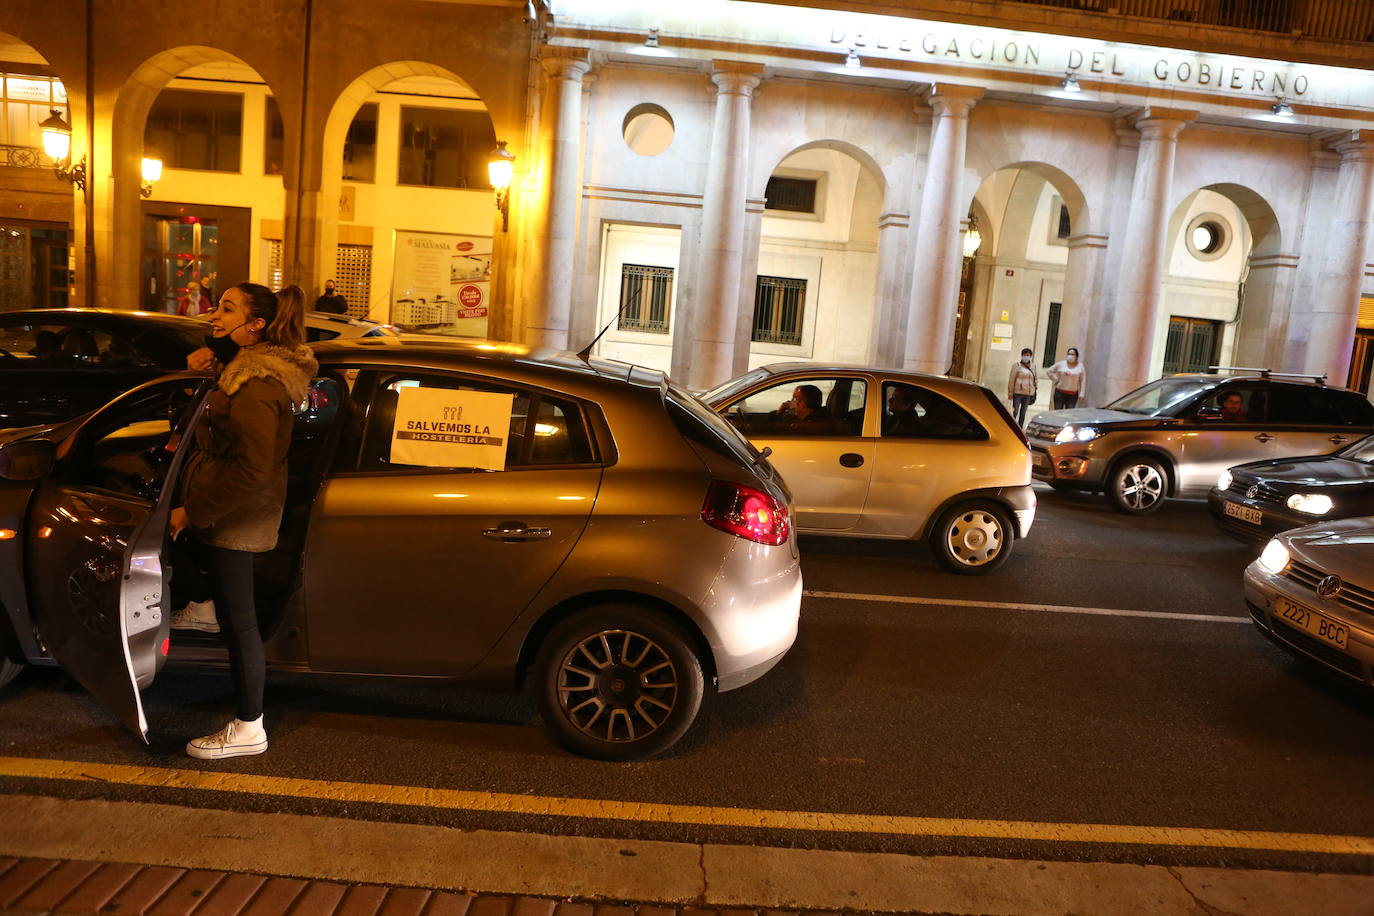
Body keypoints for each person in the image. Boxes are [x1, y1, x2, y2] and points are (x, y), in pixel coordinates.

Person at [169, 282, 317, 760]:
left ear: (255, 326)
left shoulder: (255, 385)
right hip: (228, 506)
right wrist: (207, 356)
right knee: (221, 601)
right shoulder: (245, 367)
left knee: (242, 626)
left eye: (227, 309)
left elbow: (252, 468)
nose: (215, 314)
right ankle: (205, 604)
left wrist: (193, 511)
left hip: (238, 513)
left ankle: (249, 725)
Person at [1007, 347, 1037, 426]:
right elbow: (1012, 379)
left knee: (1023, 412)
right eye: (1024, 355)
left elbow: (1035, 379)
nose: (1026, 357)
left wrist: (1034, 390)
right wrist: (1010, 392)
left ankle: (1020, 427)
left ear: (1031, 356)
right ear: (1022, 355)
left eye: (1028, 355)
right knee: (1015, 411)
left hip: (1028, 393)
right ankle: (1012, 425)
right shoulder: (1016, 366)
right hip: (1018, 392)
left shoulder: (1033, 366)